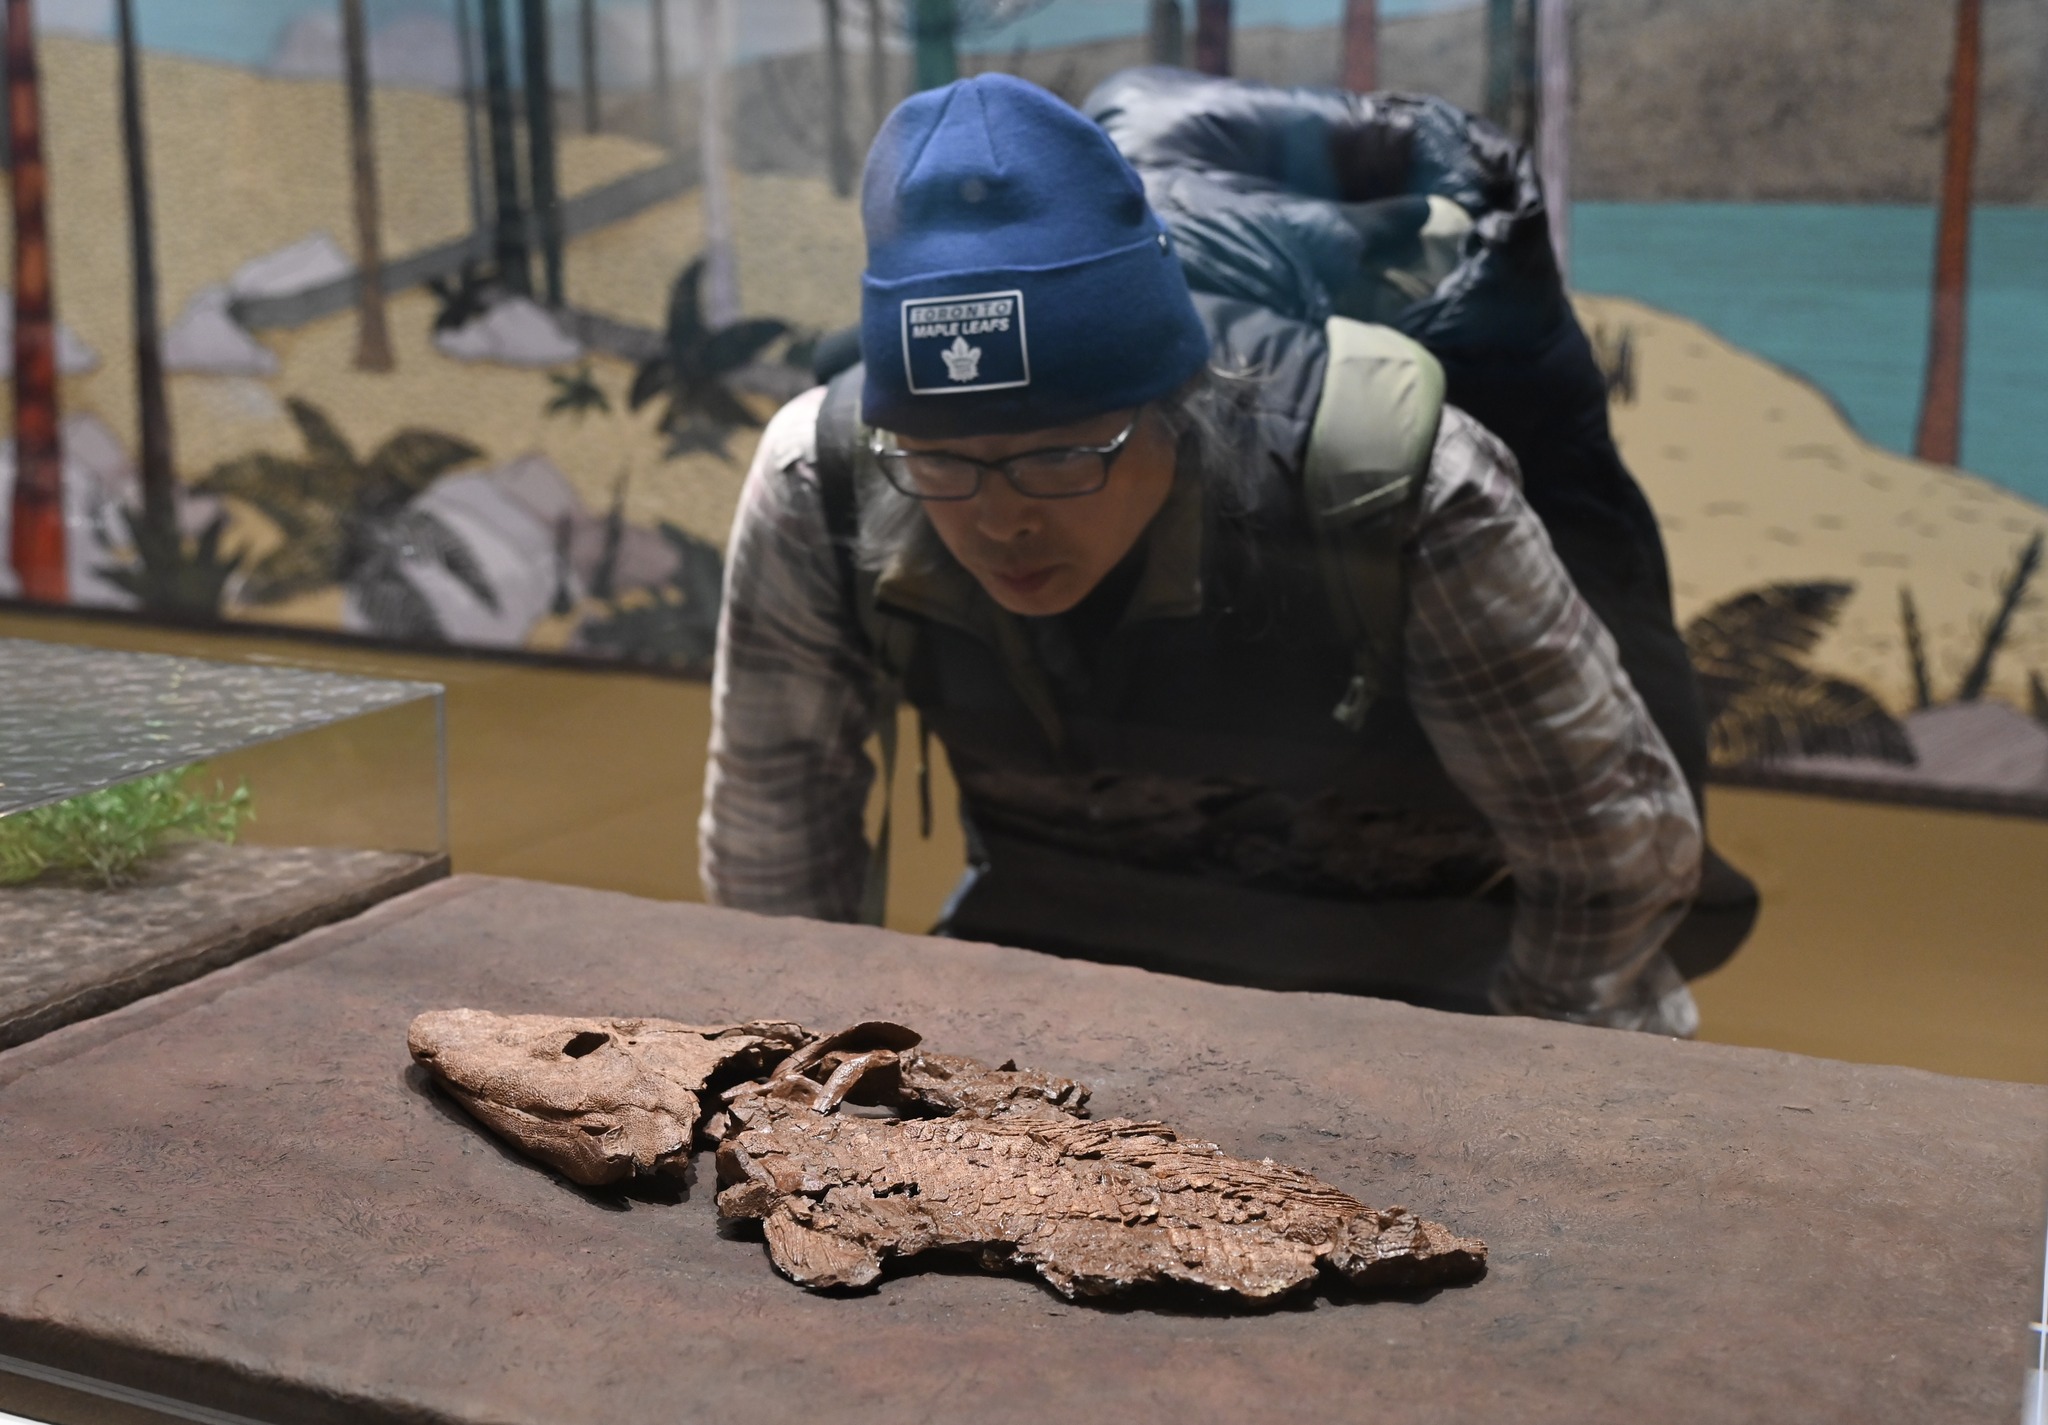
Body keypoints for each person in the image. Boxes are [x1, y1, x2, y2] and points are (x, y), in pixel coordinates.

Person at [701, 73, 1705, 1036]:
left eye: (1057, 457)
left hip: (1419, 1000)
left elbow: (1610, 855)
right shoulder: (822, 473)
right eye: (942, 460)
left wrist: (1518, 1097)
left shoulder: (1400, 483)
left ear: (1178, 406)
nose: (999, 521)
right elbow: (769, 851)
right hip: (1057, 971)